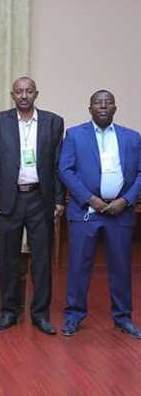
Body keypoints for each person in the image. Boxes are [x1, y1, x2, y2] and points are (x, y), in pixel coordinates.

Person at [58, 89, 141, 339]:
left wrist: (125, 200)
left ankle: (123, 317)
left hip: (120, 212)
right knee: (78, 266)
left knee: (121, 267)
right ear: (90, 108)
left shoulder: (132, 137)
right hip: (86, 211)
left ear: (115, 108)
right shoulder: (75, 135)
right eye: (98, 102)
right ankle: (73, 316)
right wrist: (90, 199)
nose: (103, 106)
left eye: (108, 103)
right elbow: (65, 170)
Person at [0, 77, 64, 335]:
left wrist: (58, 199)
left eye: (28, 91)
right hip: (9, 199)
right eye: (19, 91)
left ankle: (40, 314)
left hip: (40, 199)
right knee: (8, 258)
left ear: (36, 94)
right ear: (12, 95)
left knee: (41, 260)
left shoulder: (53, 122)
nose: (23, 95)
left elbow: (58, 165)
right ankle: (9, 311)